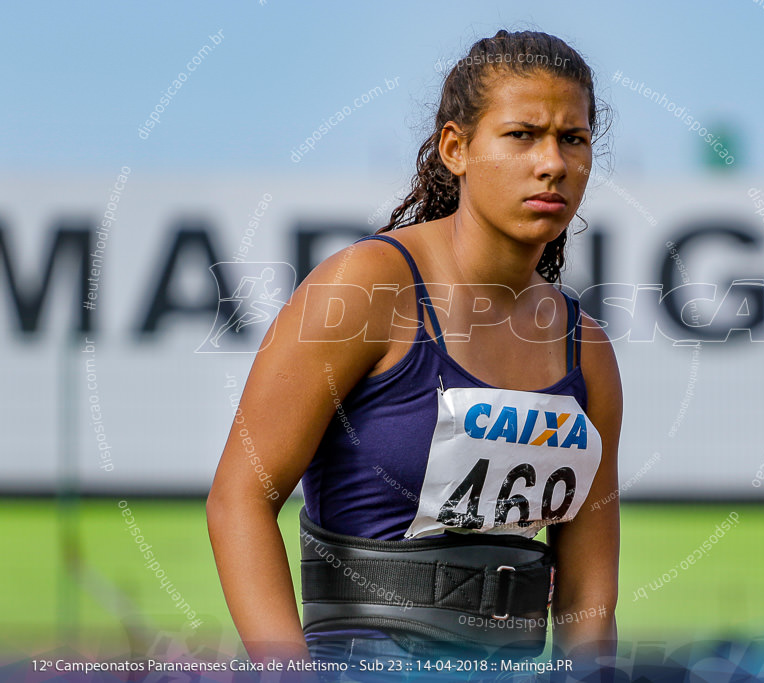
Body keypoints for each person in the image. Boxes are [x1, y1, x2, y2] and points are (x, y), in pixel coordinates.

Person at [206, 29, 621, 679]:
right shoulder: (367, 287)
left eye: (573, 138)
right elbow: (238, 499)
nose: (553, 163)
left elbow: (586, 596)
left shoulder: (586, 348)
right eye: (522, 135)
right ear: (456, 148)